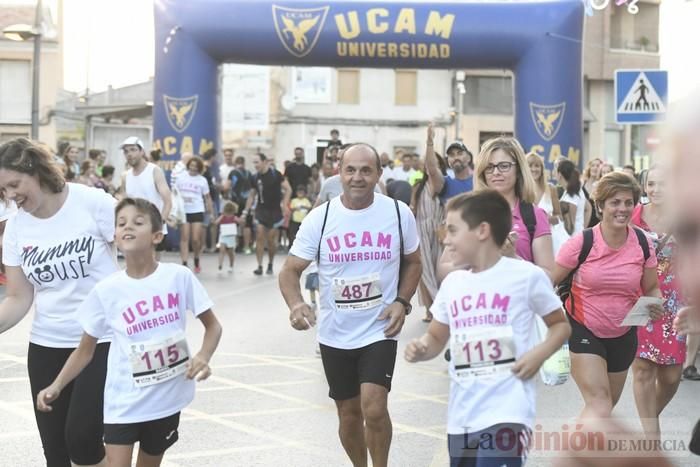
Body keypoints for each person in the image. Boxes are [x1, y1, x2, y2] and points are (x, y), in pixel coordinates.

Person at [36, 198, 222, 467]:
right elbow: (85, 350)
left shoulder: (178, 277)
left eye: (138, 222)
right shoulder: (106, 290)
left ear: (157, 235)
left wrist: (204, 355)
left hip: (166, 399)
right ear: (115, 236)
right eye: (121, 223)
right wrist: (56, 385)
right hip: (123, 401)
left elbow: (213, 325)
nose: (127, 227)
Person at [278, 143, 422, 467]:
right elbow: (289, 270)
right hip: (335, 333)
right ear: (339, 173)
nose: (358, 177)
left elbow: (414, 262)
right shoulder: (321, 218)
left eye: (366, 170)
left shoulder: (399, 213)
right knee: (349, 413)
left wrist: (402, 301)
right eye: (351, 170)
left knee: (374, 406)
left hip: (379, 327)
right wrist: (296, 303)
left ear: (378, 175)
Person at [405, 190, 570, 467]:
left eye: (453, 230)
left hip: (508, 412)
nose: (446, 239)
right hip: (462, 416)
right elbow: (436, 336)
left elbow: (560, 327)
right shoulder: (453, 284)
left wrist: (537, 354)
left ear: (482, 231)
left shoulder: (526, 276)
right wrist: (422, 347)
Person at [0, 138, 119, 467]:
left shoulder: (93, 203)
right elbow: (19, 297)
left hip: (101, 341)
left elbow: (140, 250)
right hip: (46, 346)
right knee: (56, 453)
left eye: (14, 184)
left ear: (36, 170)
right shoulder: (16, 230)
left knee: (82, 439)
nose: (10, 196)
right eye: (3, 190)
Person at [550, 172, 663, 421]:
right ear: (600, 205)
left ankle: (581, 453)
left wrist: (655, 304)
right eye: (615, 202)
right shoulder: (582, 242)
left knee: (604, 409)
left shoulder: (643, 243)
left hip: (624, 335)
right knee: (600, 403)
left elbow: (652, 286)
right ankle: (572, 458)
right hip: (583, 329)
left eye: (628, 202)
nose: (622, 209)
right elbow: (548, 282)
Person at [628, 165, 686, 438]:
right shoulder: (633, 216)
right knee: (642, 370)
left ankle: (647, 425)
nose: (656, 189)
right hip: (640, 296)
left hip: (677, 301)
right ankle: (651, 440)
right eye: (651, 184)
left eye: (662, 183)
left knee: (672, 376)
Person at [474, 136, 554, 272]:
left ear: (518, 170)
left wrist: (513, 257)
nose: (496, 172)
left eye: (504, 166)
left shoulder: (535, 215)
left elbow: (549, 276)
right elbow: (444, 268)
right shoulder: (469, 213)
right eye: (489, 167)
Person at [410, 138, 448, 323]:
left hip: (438, 231)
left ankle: (441, 306)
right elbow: (413, 208)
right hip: (420, 231)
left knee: (439, 270)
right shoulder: (418, 186)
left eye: (433, 164)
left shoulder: (441, 185)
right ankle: (430, 309)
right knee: (424, 271)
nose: (429, 168)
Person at [120, 136, 172, 260]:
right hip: (133, 229)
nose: (129, 154)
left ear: (142, 151)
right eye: (126, 151)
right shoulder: (125, 176)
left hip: (153, 229)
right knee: (135, 267)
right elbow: (124, 205)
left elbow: (168, 201)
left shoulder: (154, 171)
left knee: (153, 267)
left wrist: (160, 223)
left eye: (133, 150)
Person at [243, 153, 291, 276]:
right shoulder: (254, 177)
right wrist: (245, 211)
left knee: (271, 240)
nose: (255, 165)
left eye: (257, 162)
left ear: (264, 162)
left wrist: (285, 205)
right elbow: (252, 195)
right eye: (254, 162)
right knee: (259, 237)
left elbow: (288, 189)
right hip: (261, 210)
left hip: (275, 211)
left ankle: (270, 263)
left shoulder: (276, 175)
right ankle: (259, 266)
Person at [175, 156, 213, 273]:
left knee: (196, 239)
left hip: (197, 210)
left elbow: (207, 197)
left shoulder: (202, 180)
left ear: (199, 168)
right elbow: (174, 193)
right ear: (188, 166)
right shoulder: (180, 177)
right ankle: (184, 263)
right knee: (184, 238)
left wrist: (210, 212)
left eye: (196, 167)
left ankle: (196, 258)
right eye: (191, 165)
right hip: (184, 211)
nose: (193, 168)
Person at [527, 152, 569, 255]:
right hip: (529, 239)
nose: (534, 169)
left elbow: (559, 217)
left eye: (537, 166)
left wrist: (548, 219)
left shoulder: (551, 188)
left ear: (542, 169)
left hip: (551, 239)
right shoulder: (521, 191)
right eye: (530, 166)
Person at [424, 127, 474, 204]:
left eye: (460, 153)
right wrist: (430, 142)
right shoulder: (445, 183)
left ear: (469, 158)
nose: (456, 157)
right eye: (451, 155)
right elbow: (432, 169)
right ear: (448, 161)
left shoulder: (479, 181)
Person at [225, 155, 254, 254]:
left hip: (235, 202)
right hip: (247, 202)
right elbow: (252, 189)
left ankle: (235, 245)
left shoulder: (233, 172)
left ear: (235, 163)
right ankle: (246, 247)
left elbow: (227, 186)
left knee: (234, 224)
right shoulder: (249, 173)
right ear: (244, 163)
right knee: (247, 225)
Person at [557, 159, 591, 235]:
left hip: (571, 240)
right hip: (578, 237)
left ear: (559, 175)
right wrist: (582, 228)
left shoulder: (570, 196)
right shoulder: (578, 190)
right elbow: (588, 208)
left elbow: (569, 228)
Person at [215, 200, 239, 274]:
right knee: (222, 249)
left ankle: (231, 265)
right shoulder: (223, 217)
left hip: (231, 236)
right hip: (223, 235)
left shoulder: (233, 217)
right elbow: (216, 222)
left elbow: (240, 221)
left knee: (231, 252)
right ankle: (220, 264)